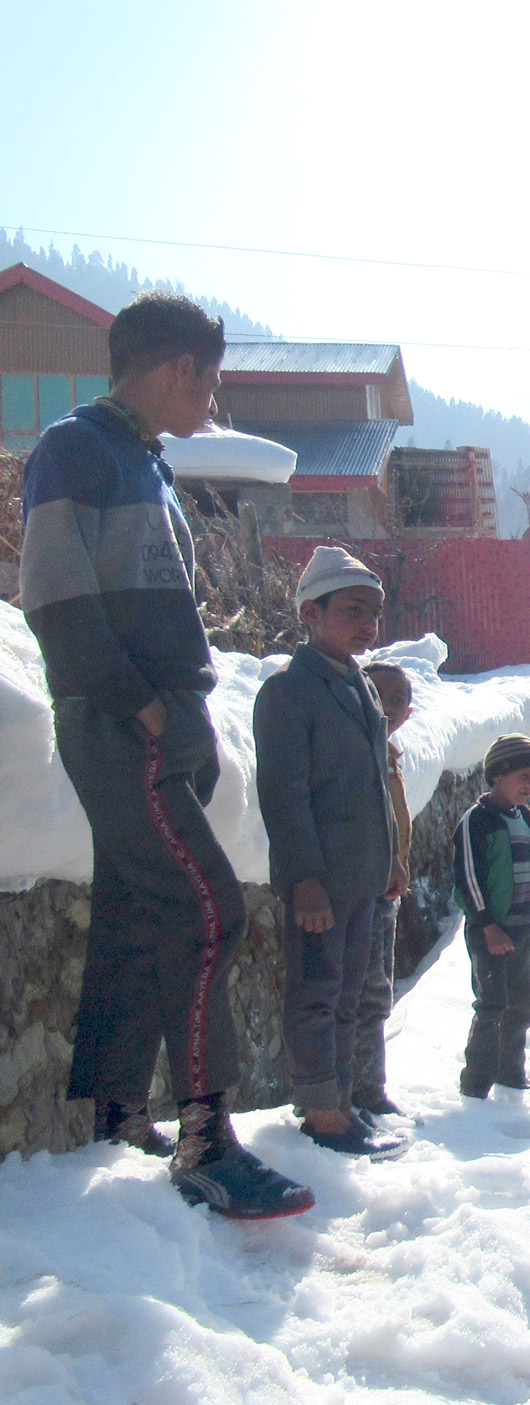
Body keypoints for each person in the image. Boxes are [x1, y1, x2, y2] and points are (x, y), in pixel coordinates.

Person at [19, 290, 314, 1217]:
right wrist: (141, 706)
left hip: (159, 726)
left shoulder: (142, 461)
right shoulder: (75, 449)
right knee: (207, 908)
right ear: (180, 367)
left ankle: (114, 1114)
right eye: (211, 385)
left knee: (139, 909)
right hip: (124, 725)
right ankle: (204, 1137)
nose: (212, 409)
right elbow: (57, 600)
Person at [253, 546, 406, 1159]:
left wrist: (391, 859)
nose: (367, 623)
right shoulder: (288, 693)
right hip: (322, 880)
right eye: (352, 609)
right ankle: (320, 1110)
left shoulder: (361, 690)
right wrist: (305, 881)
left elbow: (376, 787)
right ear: (310, 613)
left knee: (348, 994)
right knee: (317, 992)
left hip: (363, 875)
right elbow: (284, 796)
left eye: (374, 611)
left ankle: (339, 1102)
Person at [450, 735, 530, 1100]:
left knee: (522, 1006)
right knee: (492, 1006)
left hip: (523, 927)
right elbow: (468, 878)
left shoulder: (527, 819)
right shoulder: (477, 821)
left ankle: (510, 1074)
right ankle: (476, 1084)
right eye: (524, 776)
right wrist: (488, 925)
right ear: (498, 774)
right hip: (490, 931)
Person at [351, 660, 415, 1123]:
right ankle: (355, 1094)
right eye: (377, 693)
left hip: (384, 891)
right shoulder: (356, 752)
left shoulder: (389, 756)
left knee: (375, 993)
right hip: (358, 885)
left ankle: (370, 1088)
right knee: (357, 992)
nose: (387, 706)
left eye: (397, 700)